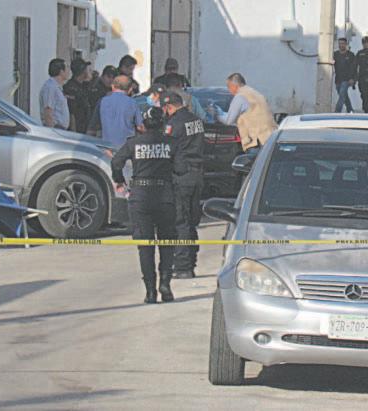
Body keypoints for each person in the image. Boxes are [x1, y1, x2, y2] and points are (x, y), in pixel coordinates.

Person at [111, 107, 177, 303]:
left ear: (143, 125)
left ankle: (150, 291)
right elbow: (182, 167)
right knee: (167, 243)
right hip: (165, 195)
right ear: (163, 123)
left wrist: (119, 180)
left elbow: (116, 162)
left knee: (145, 246)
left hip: (140, 196)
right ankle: (165, 285)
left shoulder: (133, 143)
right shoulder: (171, 143)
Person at [161, 91, 206, 279]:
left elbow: (167, 149)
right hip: (197, 174)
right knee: (191, 221)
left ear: (168, 107)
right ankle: (191, 260)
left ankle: (182, 266)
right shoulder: (196, 120)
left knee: (180, 222)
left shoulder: (173, 124)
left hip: (181, 176)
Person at [210, 73, 277, 154]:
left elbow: (229, 121)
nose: (229, 90)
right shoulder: (257, 94)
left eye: (229, 87)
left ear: (234, 86)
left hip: (256, 142)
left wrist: (216, 115)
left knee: (253, 162)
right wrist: (221, 112)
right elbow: (248, 115)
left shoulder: (239, 97)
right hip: (271, 138)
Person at [90, 75, 144, 147]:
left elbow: (93, 126)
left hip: (106, 146)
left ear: (112, 87)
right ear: (130, 89)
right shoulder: (133, 103)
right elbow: (140, 127)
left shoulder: (102, 101)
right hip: (126, 146)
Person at [39, 58, 71, 129]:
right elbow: (48, 112)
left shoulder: (57, 87)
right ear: (61, 71)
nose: (69, 71)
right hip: (55, 128)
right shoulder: (50, 87)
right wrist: (52, 131)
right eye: (67, 68)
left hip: (61, 129)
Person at [63, 59, 93, 133]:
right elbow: (71, 112)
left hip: (84, 128)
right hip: (77, 130)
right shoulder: (71, 88)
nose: (89, 71)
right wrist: (73, 133)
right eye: (87, 69)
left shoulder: (83, 86)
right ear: (83, 71)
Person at [333, 38, 357, 113]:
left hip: (347, 79)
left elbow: (354, 68)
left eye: (343, 43)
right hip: (338, 80)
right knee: (344, 96)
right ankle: (350, 110)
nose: (341, 45)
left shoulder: (351, 55)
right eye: (340, 43)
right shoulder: (335, 54)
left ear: (346, 44)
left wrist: (353, 79)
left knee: (342, 95)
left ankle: (337, 112)